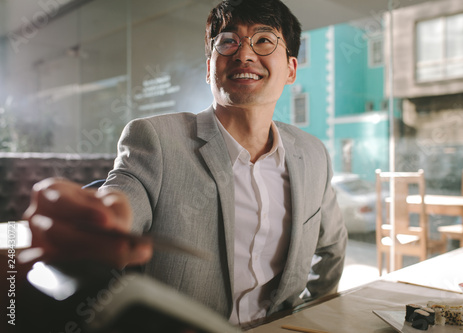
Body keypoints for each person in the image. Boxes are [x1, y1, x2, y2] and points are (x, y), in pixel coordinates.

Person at [23, 0, 347, 327]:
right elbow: (122, 199)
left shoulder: (313, 153)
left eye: (264, 40)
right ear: (209, 68)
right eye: (228, 41)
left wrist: (310, 318)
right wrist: (105, 218)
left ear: (291, 68)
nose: (244, 54)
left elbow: (331, 250)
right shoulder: (156, 139)